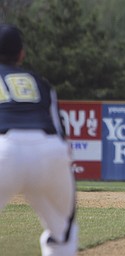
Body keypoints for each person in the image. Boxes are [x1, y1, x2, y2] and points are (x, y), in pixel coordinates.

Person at [0, 24, 78, 255]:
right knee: (63, 233)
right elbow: (61, 135)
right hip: (49, 152)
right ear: (21, 53)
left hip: (4, 150)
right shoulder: (40, 82)